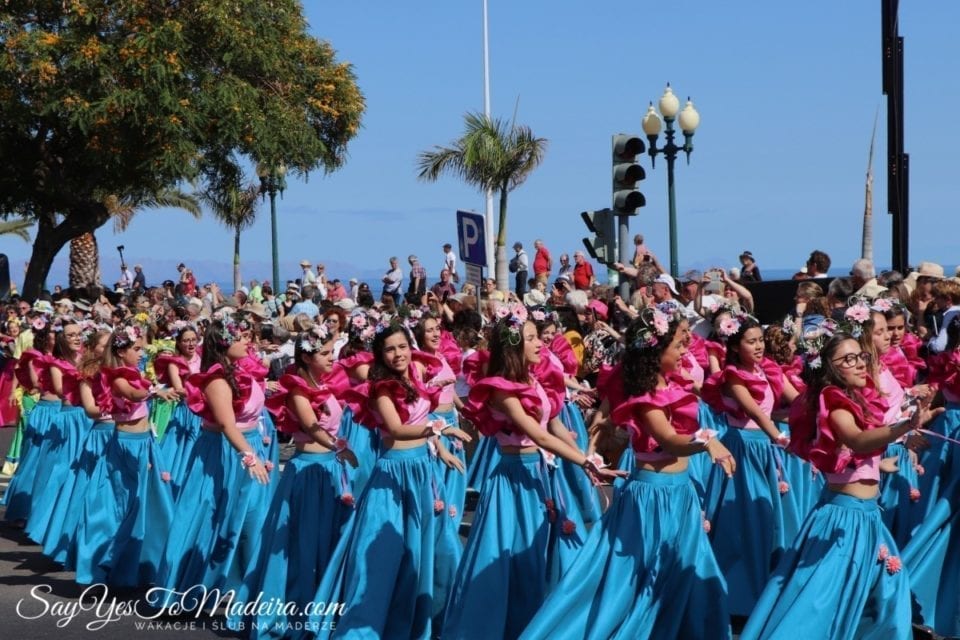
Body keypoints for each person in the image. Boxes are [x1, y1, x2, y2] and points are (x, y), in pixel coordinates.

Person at [521, 308, 734, 640]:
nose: (684, 351)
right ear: (654, 351)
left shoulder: (671, 385)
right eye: (678, 345)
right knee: (640, 585)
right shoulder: (646, 395)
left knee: (692, 578)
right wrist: (708, 441)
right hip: (654, 498)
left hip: (679, 493)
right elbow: (669, 440)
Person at [442, 303, 621, 639]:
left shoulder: (535, 381)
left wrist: (588, 459)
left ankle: (545, 621)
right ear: (514, 346)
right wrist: (581, 461)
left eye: (539, 337)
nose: (541, 343)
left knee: (545, 549)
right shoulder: (501, 388)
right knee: (507, 556)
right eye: (532, 338)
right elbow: (537, 434)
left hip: (539, 474)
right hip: (513, 480)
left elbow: (554, 426)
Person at [742, 332, 931, 640]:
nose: (859, 364)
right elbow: (856, 439)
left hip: (865, 516)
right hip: (846, 520)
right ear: (829, 367)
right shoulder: (836, 401)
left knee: (884, 594)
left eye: (861, 356)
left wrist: (877, 465)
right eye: (848, 359)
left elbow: (851, 452)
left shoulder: (852, 400)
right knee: (819, 603)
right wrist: (905, 425)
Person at [309, 322, 464, 638]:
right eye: (390, 349)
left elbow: (418, 420)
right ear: (380, 355)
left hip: (424, 470)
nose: (398, 354)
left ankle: (431, 620)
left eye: (402, 346)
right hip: (394, 474)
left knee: (432, 549)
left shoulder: (414, 379)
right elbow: (396, 428)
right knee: (383, 554)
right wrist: (440, 430)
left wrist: (438, 449)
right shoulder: (380, 388)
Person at [229, 326, 358, 636]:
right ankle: (293, 612)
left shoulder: (326, 386)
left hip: (329, 469)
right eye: (325, 353)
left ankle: (323, 606)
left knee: (326, 540)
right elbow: (312, 426)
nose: (331, 357)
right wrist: (338, 446)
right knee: (301, 542)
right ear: (306, 356)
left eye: (331, 351)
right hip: (308, 471)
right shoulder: (298, 390)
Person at [153, 315, 273, 604]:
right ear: (224, 342)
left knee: (249, 520)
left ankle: (241, 585)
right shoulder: (217, 379)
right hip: (224, 451)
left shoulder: (241, 371)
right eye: (242, 336)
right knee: (209, 516)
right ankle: (191, 586)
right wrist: (249, 456)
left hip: (248, 446)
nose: (248, 341)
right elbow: (227, 425)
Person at [73, 326, 178, 586]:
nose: (141, 354)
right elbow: (132, 394)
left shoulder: (132, 372)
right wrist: (155, 390)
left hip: (145, 443)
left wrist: (155, 390)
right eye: (137, 349)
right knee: (122, 508)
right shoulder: (116, 376)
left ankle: (151, 568)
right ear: (121, 351)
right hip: (127, 447)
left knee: (153, 506)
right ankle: (106, 568)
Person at [155, 322, 203, 498]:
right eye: (186, 341)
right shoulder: (175, 363)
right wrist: (203, 390)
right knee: (182, 451)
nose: (190, 344)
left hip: (205, 410)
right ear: (179, 343)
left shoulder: (203, 358)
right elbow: (179, 389)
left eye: (193, 340)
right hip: (188, 411)